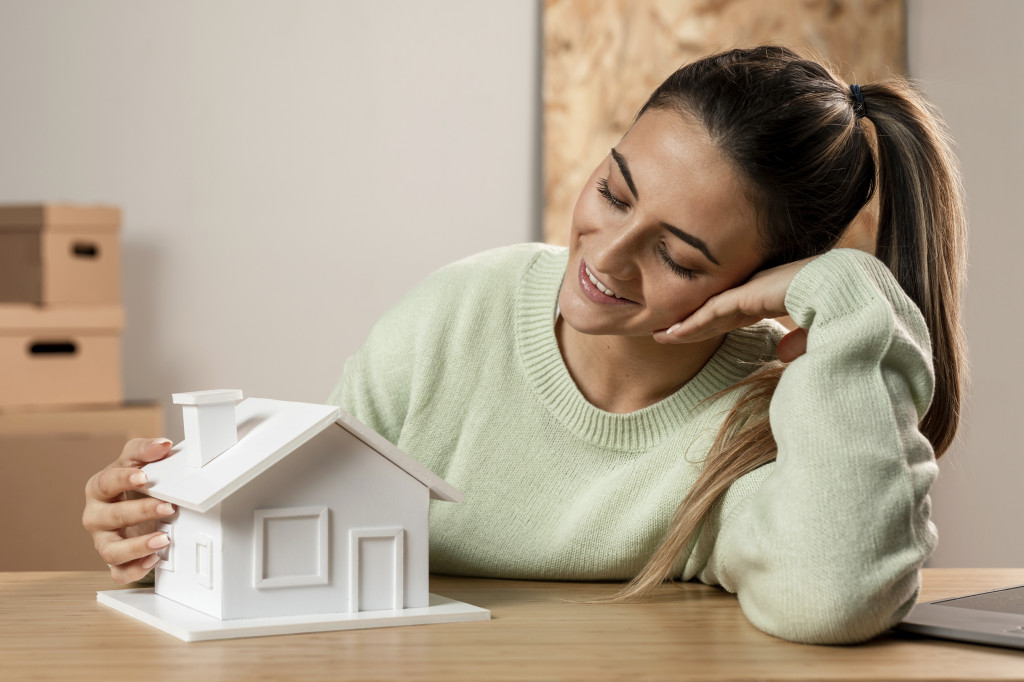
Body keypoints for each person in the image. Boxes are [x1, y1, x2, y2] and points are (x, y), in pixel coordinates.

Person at [82, 45, 966, 645]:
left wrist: (847, 294)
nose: (605, 258)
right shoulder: (459, 312)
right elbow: (303, 516)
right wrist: (157, 531)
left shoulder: (778, 414)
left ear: (758, 280)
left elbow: (836, 596)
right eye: (615, 193)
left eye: (675, 253)